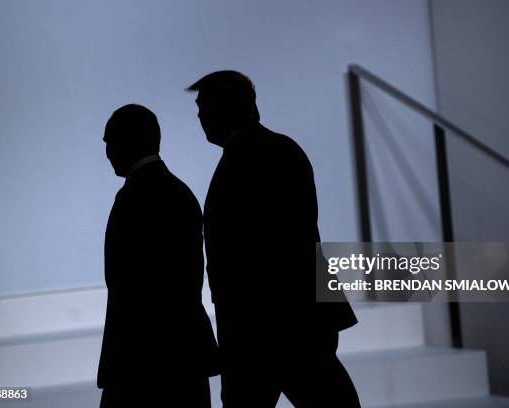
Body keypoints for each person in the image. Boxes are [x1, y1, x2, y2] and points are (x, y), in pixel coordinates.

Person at [187, 71, 360, 407]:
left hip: (270, 328)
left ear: (225, 109)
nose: (200, 117)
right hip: (284, 325)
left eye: (203, 107)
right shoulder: (275, 151)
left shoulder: (250, 158)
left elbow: (275, 250)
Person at [97, 104, 218, 407]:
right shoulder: (177, 191)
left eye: (109, 142)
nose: (108, 152)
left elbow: (127, 284)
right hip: (182, 352)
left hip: (143, 357)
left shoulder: (134, 196)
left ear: (127, 141)